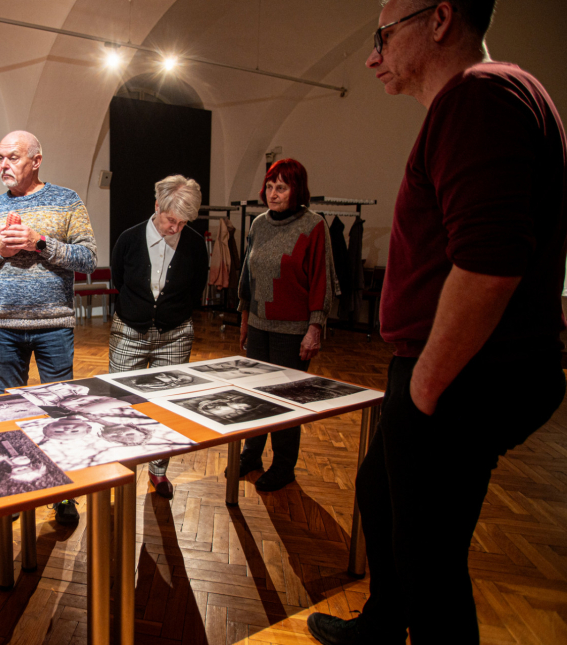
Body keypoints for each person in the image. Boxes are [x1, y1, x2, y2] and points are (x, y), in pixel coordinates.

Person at [307, 2, 567, 644]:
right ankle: (381, 622)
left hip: (462, 375)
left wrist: (424, 388)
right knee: (380, 494)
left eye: (383, 36)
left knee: (432, 565)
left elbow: (489, 264)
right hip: (458, 370)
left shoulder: (479, 96)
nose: (372, 56)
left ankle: (401, 619)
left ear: (441, 18)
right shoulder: (493, 96)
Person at [0, 130, 97, 525]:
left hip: (53, 325)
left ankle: (62, 494)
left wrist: (40, 242)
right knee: (9, 411)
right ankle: (16, 490)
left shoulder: (66, 200)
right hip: (5, 326)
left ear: (37, 160)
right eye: (0, 157)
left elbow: (88, 259)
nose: (4, 165)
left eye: (13, 157)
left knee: (59, 412)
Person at [234, 158, 335, 492]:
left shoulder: (313, 225)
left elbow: (322, 280)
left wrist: (315, 327)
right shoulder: (259, 224)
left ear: (297, 190)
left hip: (293, 331)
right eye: (270, 186)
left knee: (285, 401)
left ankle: (284, 466)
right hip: (260, 325)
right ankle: (251, 454)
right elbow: (247, 277)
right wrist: (245, 319)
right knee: (254, 396)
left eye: (282, 187)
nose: (273, 193)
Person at [109, 174, 209, 499]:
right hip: (129, 329)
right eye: (170, 220)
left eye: (182, 222)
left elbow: (197, 287)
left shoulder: (193, 244)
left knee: (166, 405)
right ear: (157, 206)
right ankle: (121, 469)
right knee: (122, 403)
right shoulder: (128, 238)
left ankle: (158, 472)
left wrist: (171, 313)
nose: (175, 228)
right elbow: (118, 278)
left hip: (175, 333)